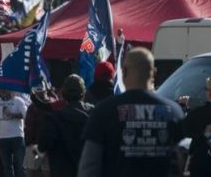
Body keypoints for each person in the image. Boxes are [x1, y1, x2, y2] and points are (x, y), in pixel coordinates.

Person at [78, 47, 184, 177]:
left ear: (124, 72)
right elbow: (179, 163)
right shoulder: (174, 112)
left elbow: (90, 165)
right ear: (154, 73)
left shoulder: (104, 111)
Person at [38, 75, 93, 177]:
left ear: (63, 94)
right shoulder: (94, 114)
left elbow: (42, 145)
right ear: (83, 93)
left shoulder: (53, 118)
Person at [0, 89, 28, 177]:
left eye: (5, 88)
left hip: (17, 137)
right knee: (7, 167)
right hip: (2, 139)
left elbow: (26, 115)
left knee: (19, 166)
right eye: (1, 89)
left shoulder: (18, 101)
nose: (2, 91)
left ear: (11, 90)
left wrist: (13, 115)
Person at [24, 88, 57, 177]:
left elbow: (29, 125)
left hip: (36, 146)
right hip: (47, 146)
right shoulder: (54, 103)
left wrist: (28, 142)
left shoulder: (33, 106)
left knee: (32, 173)